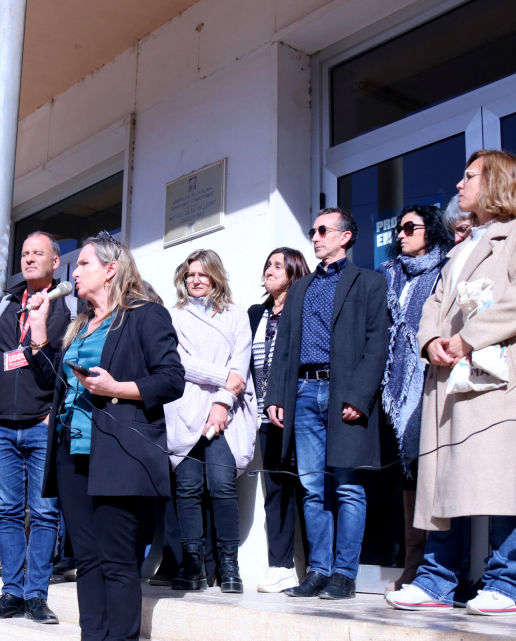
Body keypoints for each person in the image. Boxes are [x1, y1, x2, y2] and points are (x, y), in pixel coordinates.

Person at [386, 149, 516, 616]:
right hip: (450, 378)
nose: (459, 186)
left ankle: (506, 582)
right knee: (442, 477)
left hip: (498, 379)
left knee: (502, 476)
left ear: (496, 182)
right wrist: (431, 342)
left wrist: (464, 339)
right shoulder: (460, 250)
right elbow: (431, 308)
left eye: (469, 177)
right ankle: (437, 579)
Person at [27, 233, 185, 641]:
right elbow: (55, 387)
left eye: (83, 265)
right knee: (88, 561)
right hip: (72, 454)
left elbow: (172, 379)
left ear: (111, 270)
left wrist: (119, 389)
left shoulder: (144, 316)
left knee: (117, 560)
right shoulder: (80, 326)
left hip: (119, 452)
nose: (73, 273)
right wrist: (39, 334)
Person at [266, 208, 390, 601]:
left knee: (348, 486)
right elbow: (283, 348)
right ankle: (318, 570)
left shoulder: (369, 282)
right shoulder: (301, 288)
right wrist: (276, 397)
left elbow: (377, 344)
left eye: (323, 230)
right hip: (303, 393)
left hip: (343, 394)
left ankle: (344, 574)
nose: (315, 236)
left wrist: (359, 395)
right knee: (312, 487)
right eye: (313, 230)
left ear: (346, 236)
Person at [0, 231, 77, 624]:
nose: (30, 259)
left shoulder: (68, 308)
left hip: (41, 425)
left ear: (55, 261)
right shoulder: (2, 305)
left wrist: (56, 411)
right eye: (25, 253)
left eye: (39, 253)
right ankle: (12, 592)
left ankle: (36, 594)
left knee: (46, 512)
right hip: (0, 427)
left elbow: (69, 370)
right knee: (8, 512)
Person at [163, 249, 257, 594]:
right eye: (190, 275)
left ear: (216, 276)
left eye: (202, 274)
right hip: (185, 408)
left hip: (225, 412)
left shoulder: (236, 315)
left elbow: (242, 363)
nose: (196, 280)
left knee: (222, 484)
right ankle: (193, 564)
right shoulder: (174, 317)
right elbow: (178, 362)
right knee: (186, 488)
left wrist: (222, 403)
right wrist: (224, 377)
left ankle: (229, 564)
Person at [376, 205, 455, 592]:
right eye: (399, 229)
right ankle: (411, 560)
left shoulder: (446, 268)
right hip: (388, 385)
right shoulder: (386, 274)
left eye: (411, 227)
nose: (402, 235)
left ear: (432, 230)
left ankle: (429, 566)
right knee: (401, 475)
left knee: (427, 471)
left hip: (429, 379)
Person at [248, 248, 309, 593]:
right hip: (263, 419)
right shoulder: (257, 313)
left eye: (276, 265)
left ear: (294, 271)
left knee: (307, 490)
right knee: (275, 492)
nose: (269, 270)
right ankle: (281, 565)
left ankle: (317, 565)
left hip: (298, 413)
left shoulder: (302, 311)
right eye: (267, 264)